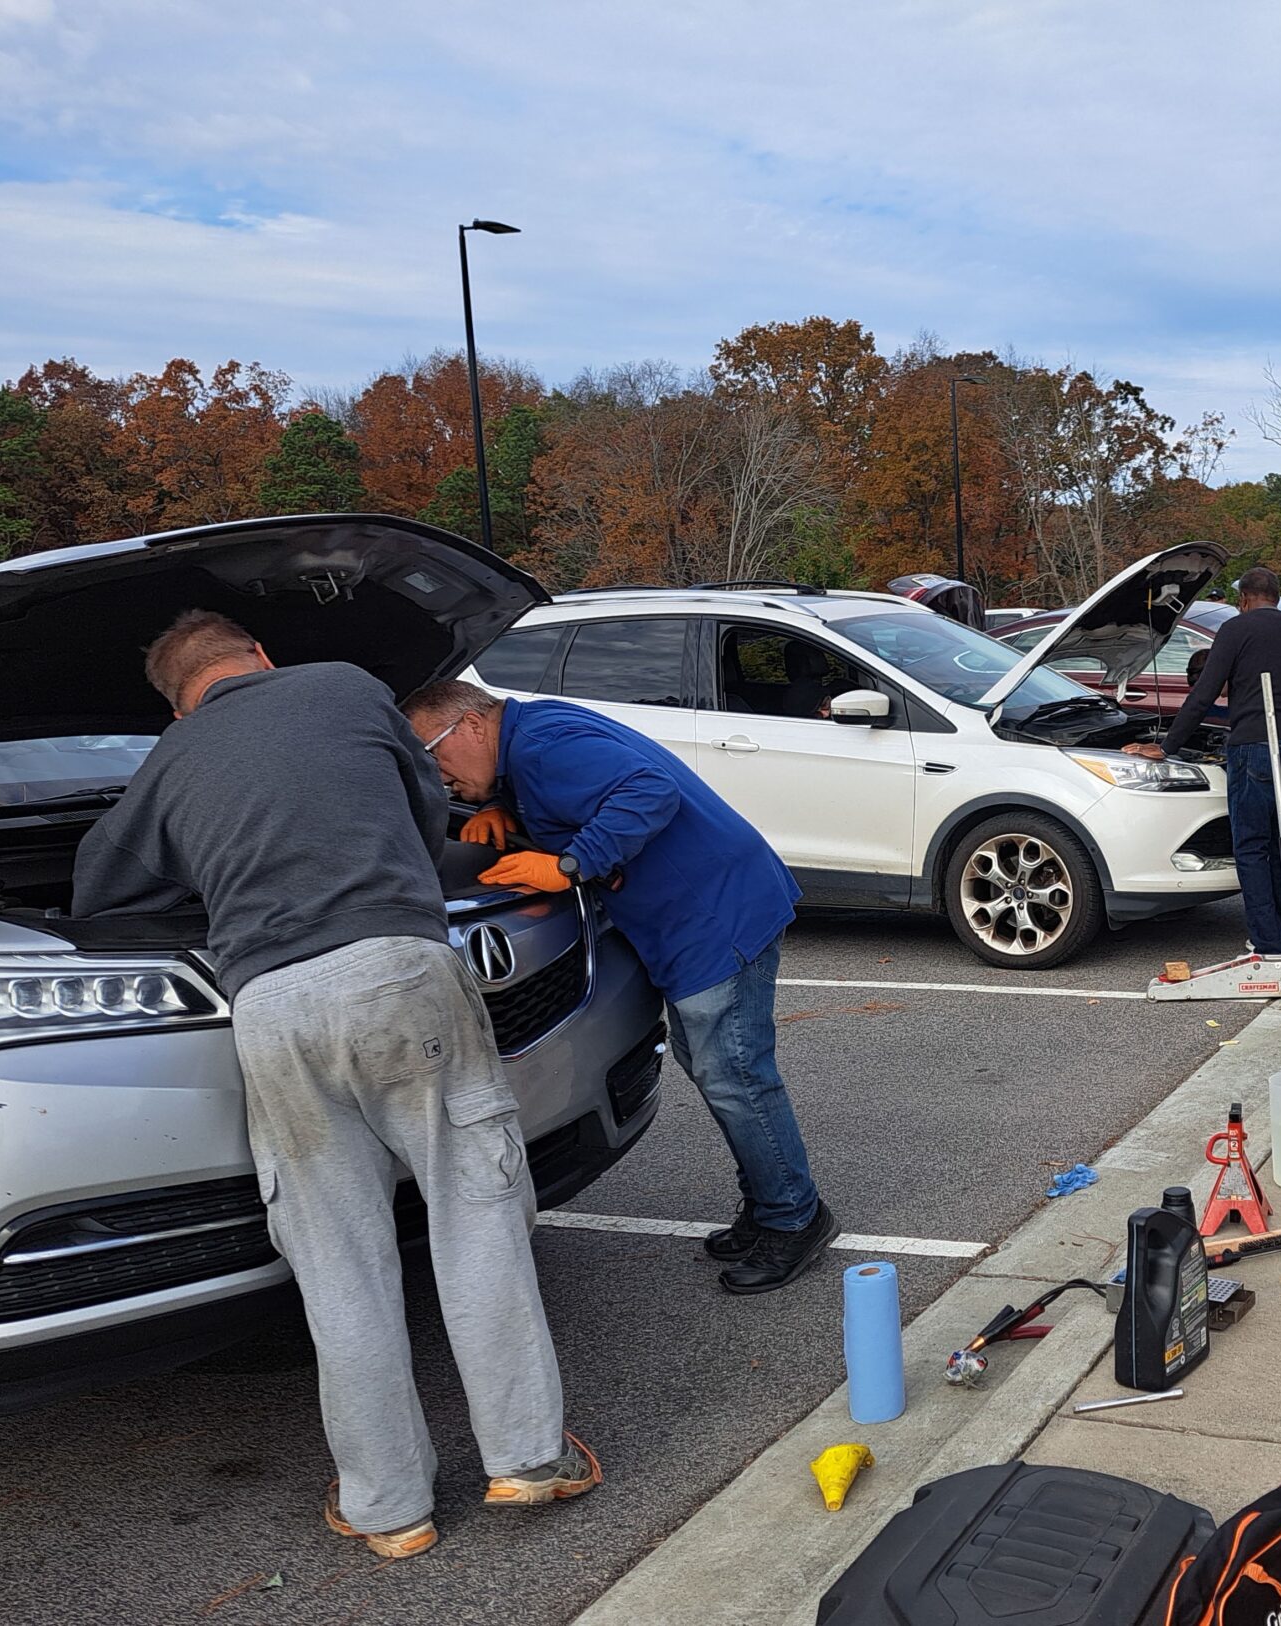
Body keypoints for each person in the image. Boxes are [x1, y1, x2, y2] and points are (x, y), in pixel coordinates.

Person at [72, 611, 596, 1562]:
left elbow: (101, 890)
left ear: (178, 699)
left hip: (268, 1006)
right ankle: (528, 1458)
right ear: (261, 656)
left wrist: (226, 876)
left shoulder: (169, 761)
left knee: (336, 1260)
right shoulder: (346, 684)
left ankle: (388, 1508)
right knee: (474, 1211)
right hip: (398, 972)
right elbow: (417, 811)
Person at [400, 678, 838, 1296]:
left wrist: (568, 864)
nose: (438, 777)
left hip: (715, 915)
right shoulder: (530, 739)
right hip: (697, 917)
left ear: (471, 726)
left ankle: (795, 1218)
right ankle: (771, 1204)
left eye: (434, 754)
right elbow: (586, 791)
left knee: (735, 1075)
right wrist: (506, 805)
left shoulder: (544, 746)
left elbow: (647, 790)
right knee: (718, 1068)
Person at [1129, 566, 1281, 956]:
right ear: (1277, 596)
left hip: (1254, 744)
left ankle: (1267, 941)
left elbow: (1203, 692)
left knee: (1252, 844)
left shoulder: (1235, 630)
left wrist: (1168, 746)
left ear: (1244, 600)